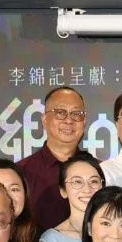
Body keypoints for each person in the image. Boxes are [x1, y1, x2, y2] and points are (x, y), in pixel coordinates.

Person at [21, 86, 89, 229]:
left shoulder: (99, 171)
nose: (69, 120)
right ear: (44, 120)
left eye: (76, 113)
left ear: (84, 122)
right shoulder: (21, 172)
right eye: (60, 112)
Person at [39, 153, 105, 242]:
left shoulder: (115, 232)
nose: (87, 189)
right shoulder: (53, 239)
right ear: (63, 191)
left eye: (94, 181)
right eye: (77, 182)